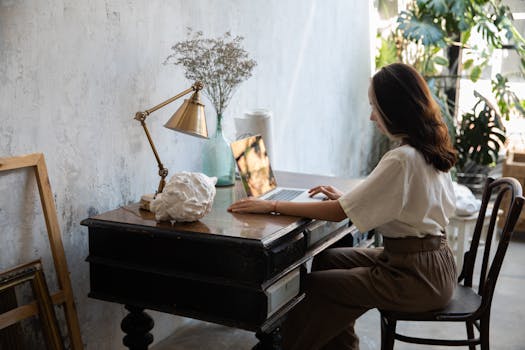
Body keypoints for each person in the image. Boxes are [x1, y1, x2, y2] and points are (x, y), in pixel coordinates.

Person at [228, 62, 458, 350]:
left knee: (315, 287)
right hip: (431, 264)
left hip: (415, 277)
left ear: (395, 110)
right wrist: (347, 199)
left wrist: (272, 205)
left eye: (376, 107)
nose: (372, 117)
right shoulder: (426, 148)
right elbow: (400, 204)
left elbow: (338, 214)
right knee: (328, 260)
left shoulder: (402, 158)